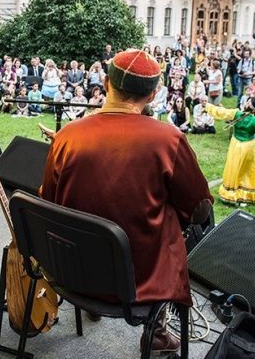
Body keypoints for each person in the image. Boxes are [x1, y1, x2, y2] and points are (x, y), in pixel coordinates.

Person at [40, 49, 212, 355]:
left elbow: (47, 200)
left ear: (106, 83)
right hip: (139, 280)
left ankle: (95, 299)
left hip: (69, 270)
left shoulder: (67, 136)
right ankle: (156, 333)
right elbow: (199, 208)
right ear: (153, 94)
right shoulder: (168, 140)